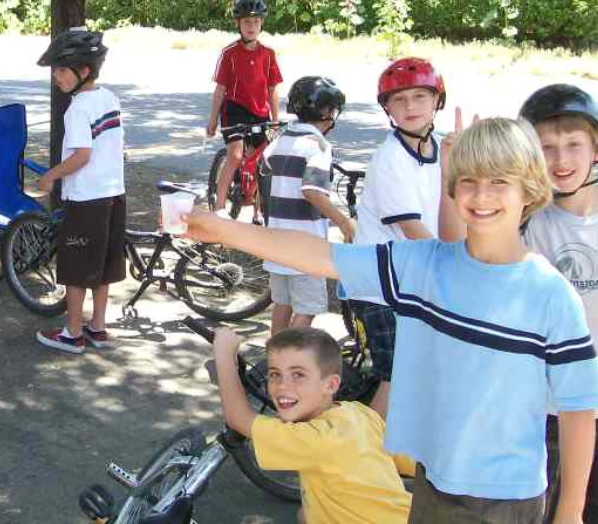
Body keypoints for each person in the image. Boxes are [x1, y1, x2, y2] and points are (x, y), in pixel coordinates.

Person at [184, 117, 598, 523]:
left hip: (505, 499)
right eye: (469, 181)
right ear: (452, 188)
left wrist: (571, 512)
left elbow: (578, 410)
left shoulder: (550, 295)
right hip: (432, 480)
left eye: (499, 182)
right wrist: (224, 229)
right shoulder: (424, 265)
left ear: (529, 189)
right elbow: (321, 255)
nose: (482, 195)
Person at [214, 326, 414, 524]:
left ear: (331, 385)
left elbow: (238, 419)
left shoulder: (316, 438)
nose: (283, 386)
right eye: (275, 374)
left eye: (298, 375)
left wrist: (224, 356)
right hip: (406, 515)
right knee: (306, 513)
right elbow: (406, 459)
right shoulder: (357, 412)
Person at [517, 84, 598, 524]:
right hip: (541, 408)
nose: (561, 161)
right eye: (546, 148)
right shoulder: (522, 219)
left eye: (573, 145)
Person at [351, 57, 448, 418]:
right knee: (398, 377)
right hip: (381, 283)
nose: (410, 107)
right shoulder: (390, 158)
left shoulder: (441, 148)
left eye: (420, 97)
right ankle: (366, 458)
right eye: (400, 100)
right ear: (387, 108)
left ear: (437, 100)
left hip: (414, 277)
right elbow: (412, 229)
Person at [34, 30, 125, 354]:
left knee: (75, 268)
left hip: (86, 199)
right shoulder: (109, 98)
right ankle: (97, 327)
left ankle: (73, 333)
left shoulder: (76, 109)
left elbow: (81, 156)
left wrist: (51, 176)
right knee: (103, 265)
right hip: (114, 194)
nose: (56, 77)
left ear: (83, 70)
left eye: (61, 70)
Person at [261, 76, 354, 336]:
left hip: (276, 241)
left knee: (283, 302)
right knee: (308, 307)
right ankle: (287, 354)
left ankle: (274, 354)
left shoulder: (278, 141)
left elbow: (264, 180)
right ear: (327, 113)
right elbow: (312, 191)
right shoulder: (318, 146)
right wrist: (344, 222)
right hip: (305, 247)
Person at [206, 0, 282, 220]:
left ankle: (259, 211)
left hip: (260, 112)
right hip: (234, 109)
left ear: (262, 24)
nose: (252, 27)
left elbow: (272, 89)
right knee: (236, 156)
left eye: (256, 22)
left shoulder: (268, 54)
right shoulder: (229, 53)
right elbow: (220, 89)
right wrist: (212, 121)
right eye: (247, 22)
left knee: (263, 160)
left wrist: (275, 120)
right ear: (238, 24)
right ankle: (219, 208)